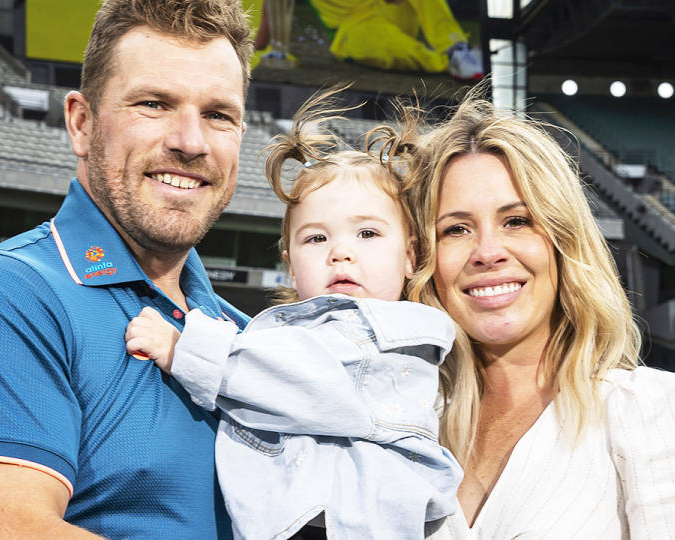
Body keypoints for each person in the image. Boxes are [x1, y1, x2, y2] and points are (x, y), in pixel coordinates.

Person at [0, 1, 253, 537]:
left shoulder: (246, 336)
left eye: (218, 115)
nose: (191, 142)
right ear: (81, 124)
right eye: (154, 104)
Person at [373, 94, 675, 538]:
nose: (487, 252)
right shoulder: (400, 428)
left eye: (517, 221)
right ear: (422, 258)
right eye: (455, 229)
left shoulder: (654, 410)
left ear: (564, 242)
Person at [124, 88, 463, 540]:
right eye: (316, 239)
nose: (341, 252)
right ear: (289, 262)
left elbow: (306, 381)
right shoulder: (302, 329)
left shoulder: (393, 333)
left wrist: (184, 348)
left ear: (409, 256)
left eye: (367, 233)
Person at [308, 0, 483, 80]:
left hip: (391, 8)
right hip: (354, 26)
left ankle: (456, 48)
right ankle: (447, 63)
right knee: (383, 43)